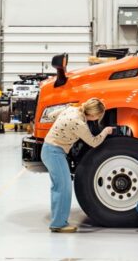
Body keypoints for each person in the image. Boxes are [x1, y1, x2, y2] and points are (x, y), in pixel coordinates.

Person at [40, 98, 114, 233]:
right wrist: (106, 131)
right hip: (54, 152)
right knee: (63, 188)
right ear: (92, 115)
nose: (98, 118)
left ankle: (58, 221)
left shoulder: (71, 109)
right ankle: (58, 224)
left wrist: (61, 126)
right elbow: (94, 142)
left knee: (58, 187)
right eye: (98, 116)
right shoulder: (79, 123)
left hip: (50, 149)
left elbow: (50, 115)